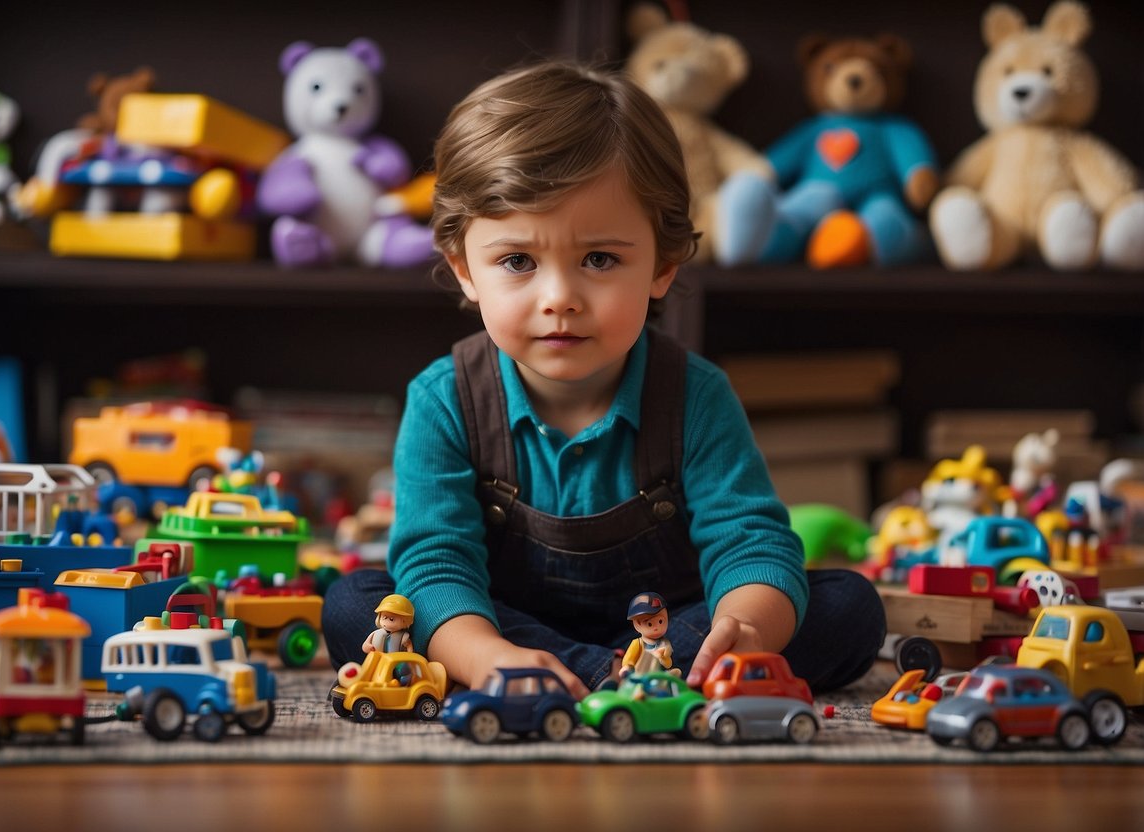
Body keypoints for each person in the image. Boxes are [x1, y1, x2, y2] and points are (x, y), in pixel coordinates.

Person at [322, 60, 885, 699]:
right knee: (356, 603)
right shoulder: (445, 397)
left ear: (662, 266)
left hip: (670, 631)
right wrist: (483, 656)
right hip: (503, 628)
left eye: (599, 259)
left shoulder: (694, 395)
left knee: (846, 604)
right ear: (464, 271)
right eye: (517, 261)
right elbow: (435, 560)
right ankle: (592, 675)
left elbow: (749, 541)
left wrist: (747, 630)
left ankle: (631, 673)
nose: (560, 297)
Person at [620, 591, 678, 679]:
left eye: (660, 621)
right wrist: (627, 668)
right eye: (650, 624)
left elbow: (668, 664)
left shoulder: (665, 643)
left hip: (658, 675)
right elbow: (628, 660)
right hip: (642, 675)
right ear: (637, 625)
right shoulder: (638, 643)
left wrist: (663, 657)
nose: (656, 627)